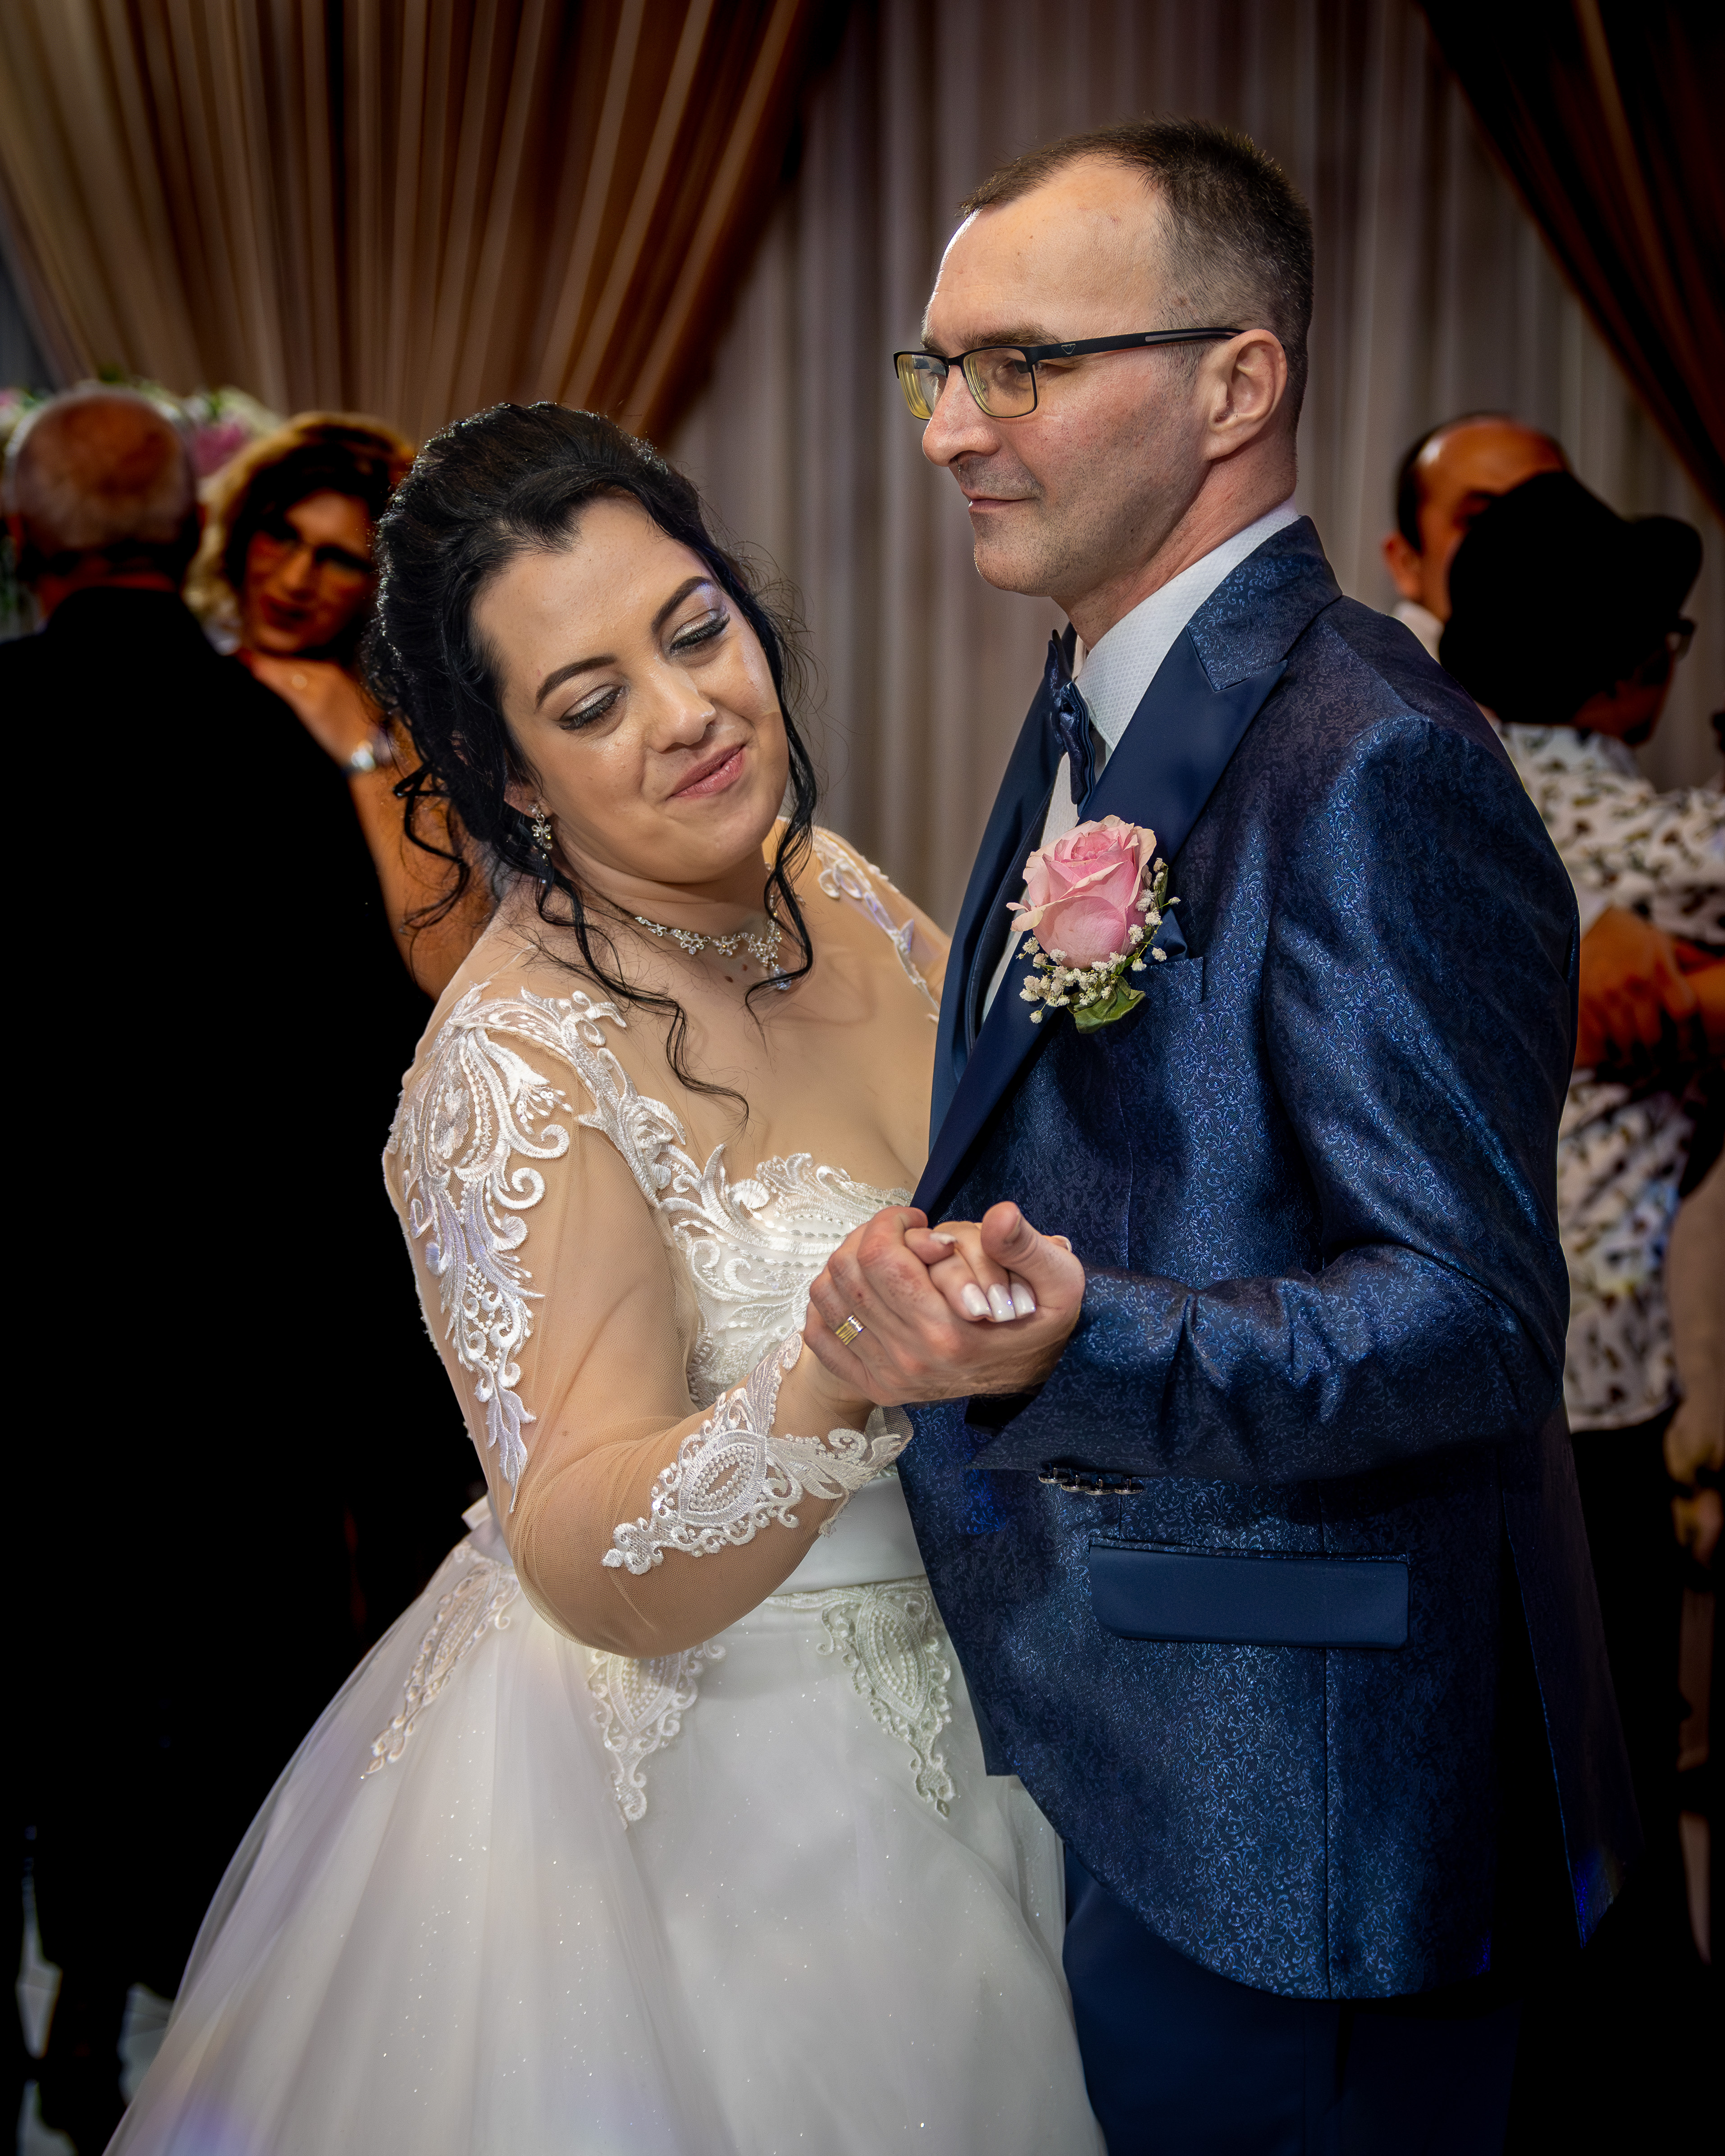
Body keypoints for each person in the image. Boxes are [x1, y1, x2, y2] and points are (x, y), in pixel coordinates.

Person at [110, 403, 1103, 2155]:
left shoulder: (832, 886)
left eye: (695, 629)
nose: (688, 710)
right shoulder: (514, 1066)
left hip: (997, 1693)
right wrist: (827, 1375)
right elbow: (575, 1533)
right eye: (589, 702)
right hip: (728, 1806)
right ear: (506, 773)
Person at [799, 120, 1636, 2153]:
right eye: (938, 370)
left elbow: (1467, 1321)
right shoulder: (1106, 695)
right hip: (1147, 1737)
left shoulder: (1365, 758)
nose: (952, 430)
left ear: (1237, 381)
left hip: (1302, 1809)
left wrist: (1071, 1337)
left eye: (1022, 365)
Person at [2, 386, 469, 2152]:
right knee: (193, 1680)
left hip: (38, 1311)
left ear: (25, 543)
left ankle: (70, 2004)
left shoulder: (311, 739)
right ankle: (144, 2006)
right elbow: (360, 1059)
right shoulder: (265, 754)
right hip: (232, 1323)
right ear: (200, 534)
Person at [1440, 471, 1721, 2125]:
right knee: (1609, 1756)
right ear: (1631, 673)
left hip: (1476, 1351)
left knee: (1514, 1758)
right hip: (1598, 1377)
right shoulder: (1646, 829)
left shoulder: (1447, 780)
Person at [187, 411, 488, 997]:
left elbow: (453, 967)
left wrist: (363, 748)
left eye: (340, 560)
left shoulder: (426, 728)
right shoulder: (192, 677)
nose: (295, 581)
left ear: (384, 586)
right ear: (242, 532)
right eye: (281, 535)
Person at [1380, 411, 1567, 659]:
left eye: (1546, 515)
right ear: (1405, 563)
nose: (1521, 540)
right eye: (1477, 519)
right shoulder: (1363, 678)